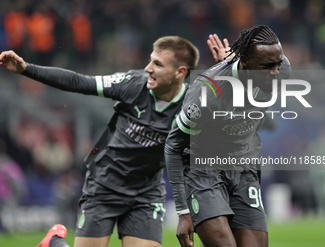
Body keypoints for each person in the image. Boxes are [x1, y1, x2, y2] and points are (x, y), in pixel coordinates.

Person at [0, 35, 200, 247]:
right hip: (105, 184)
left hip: (146, 193)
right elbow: (80, 82)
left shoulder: (193, 107)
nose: (148, 68)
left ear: (180, 72)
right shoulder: (133, 83)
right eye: (150, 60)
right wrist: (26, 69)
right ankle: (54, 243)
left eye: (158, 64)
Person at [165, 24, 291, 247]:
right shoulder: (206, 92)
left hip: (244, 169)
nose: (276, 72)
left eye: (279, 64)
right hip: (203, 171)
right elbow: (173, 145)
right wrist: (183, 212)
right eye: (268, 66)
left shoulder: (278, 71)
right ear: (245, 62)